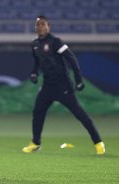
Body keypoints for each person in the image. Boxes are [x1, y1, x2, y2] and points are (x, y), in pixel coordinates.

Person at [22, 15, 105, 155]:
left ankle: (98, 142)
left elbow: (71, 58)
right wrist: (34, 73)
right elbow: (36, 62)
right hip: (47, 86)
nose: (40, 26)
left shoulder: (55, 42)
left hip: (63, 86)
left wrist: (78, 79)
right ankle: (36, 143)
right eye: (38, 24)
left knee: (80, 114)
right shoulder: (35, 44)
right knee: (38, 112)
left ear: (49, 26)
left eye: (43, 24)